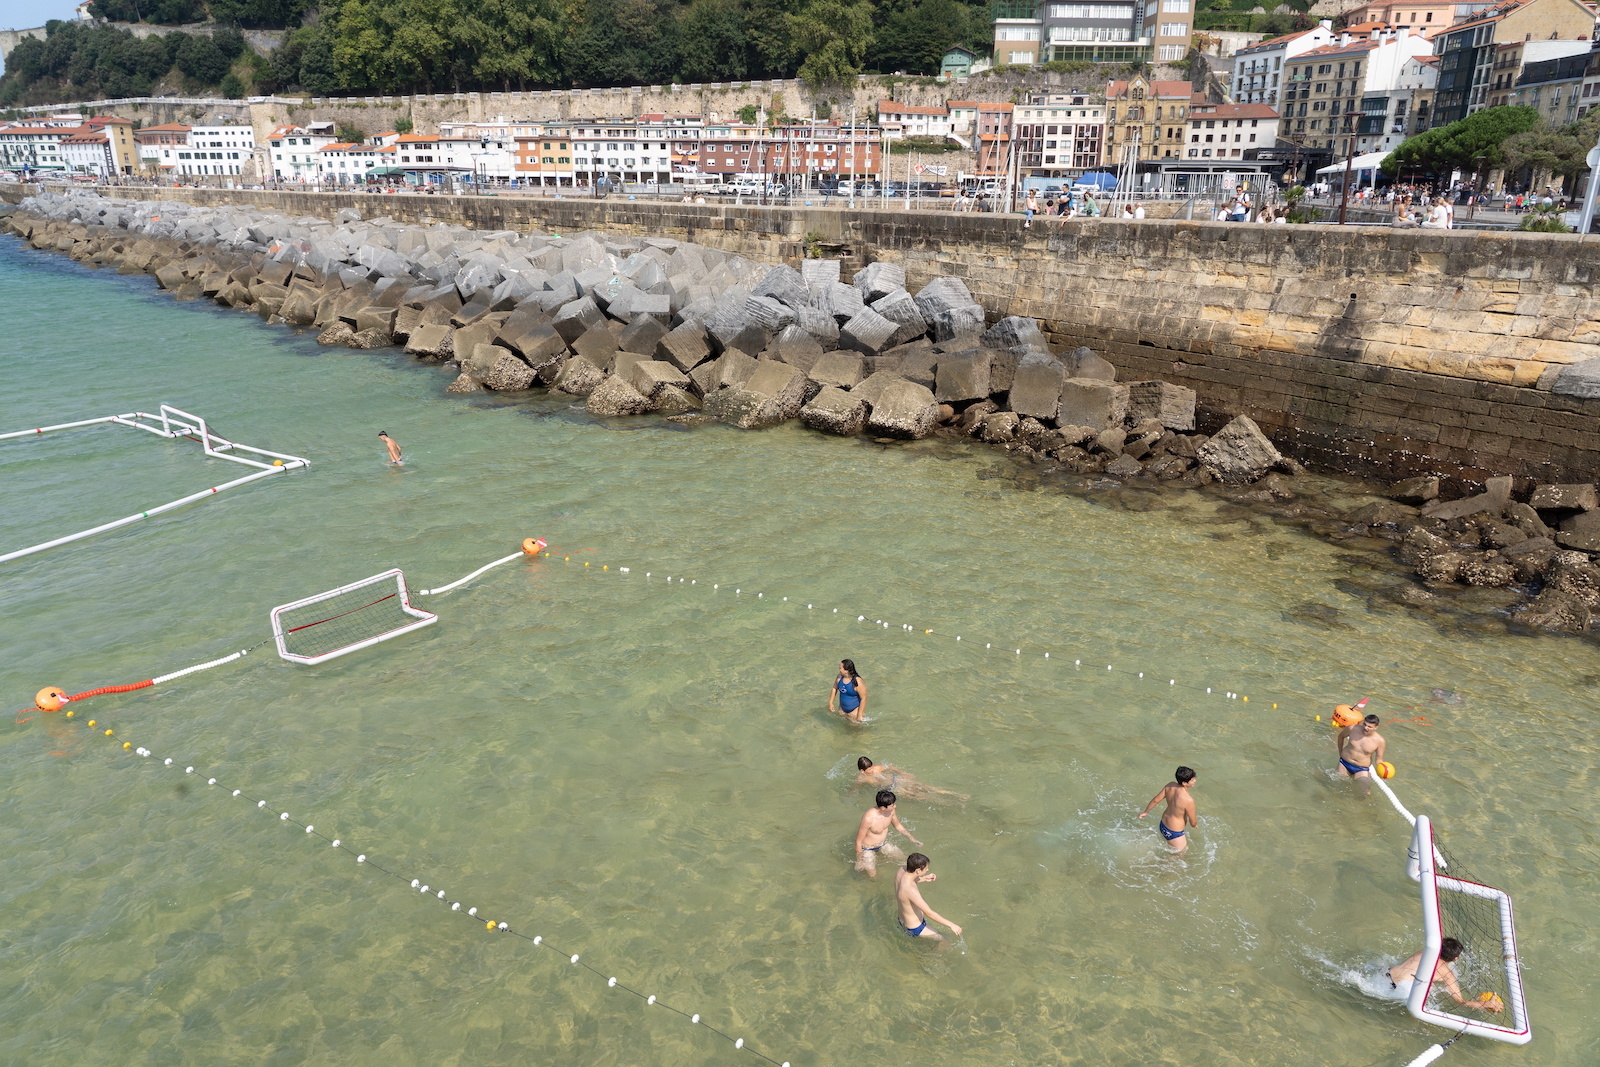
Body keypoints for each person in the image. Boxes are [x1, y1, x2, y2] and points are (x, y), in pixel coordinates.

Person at [1387, 938, 1504, 1012]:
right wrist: (1485, 1004)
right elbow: (1460, 1001)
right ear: (1456, 958)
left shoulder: (1423, 952)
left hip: (1386, 975)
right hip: (1402, 991)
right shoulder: (1447, 973)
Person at [894, 853, 962, 941]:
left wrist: (925, 878)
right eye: (926, 868)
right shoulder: (911, 890)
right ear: (918, 870)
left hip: (902, 919)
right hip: (915, 928)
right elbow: (929, 913)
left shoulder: (901, 871)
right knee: (946, 940)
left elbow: (910, 879)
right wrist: (951, 925)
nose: (927, 869)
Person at [855, 789, 922, 878]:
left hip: (883, 844)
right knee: (872, 874)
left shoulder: (890, 812)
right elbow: (858, 841)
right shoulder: (868, 819)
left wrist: (912, 838)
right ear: (883, 807)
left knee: (904, 859)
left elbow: (898, 825)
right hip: (868, 849)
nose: (895, 806)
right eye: (892, 805)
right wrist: (859, 861)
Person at [1136, 766, 1198, 852]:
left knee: (1170, 850)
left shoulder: (1170, 786)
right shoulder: (1188, 800)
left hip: (1163, 825)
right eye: (1192, 779)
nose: (1195, 780)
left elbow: (1155, 800)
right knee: (1179, 855)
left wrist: (1146, 812)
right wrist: (1195, 825)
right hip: (1174, 832)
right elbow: (1192, 822)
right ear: (1184, 782)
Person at [856, 756, 970, 802]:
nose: (872, 770)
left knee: (926, 787)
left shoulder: (877, 767)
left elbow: (890, 767)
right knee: (919, 795)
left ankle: (957, 795)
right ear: (862, 771)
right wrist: (851, 795)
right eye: (868, 769)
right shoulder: (861, 778)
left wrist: (904, 773)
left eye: (871, 767)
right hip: (892, 787)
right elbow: (855, 787)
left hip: (897, 779)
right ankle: (949, 802)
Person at [828, 658, 867, 723]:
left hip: (854, 711)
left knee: (855, 731)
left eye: (840, 668)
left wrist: (859, 715)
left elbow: (864, 698)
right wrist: (831, 703)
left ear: (846, 670)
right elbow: (834, 688)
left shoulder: (858, 682)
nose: (839, 669)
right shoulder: (839, 677)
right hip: (842, 710)